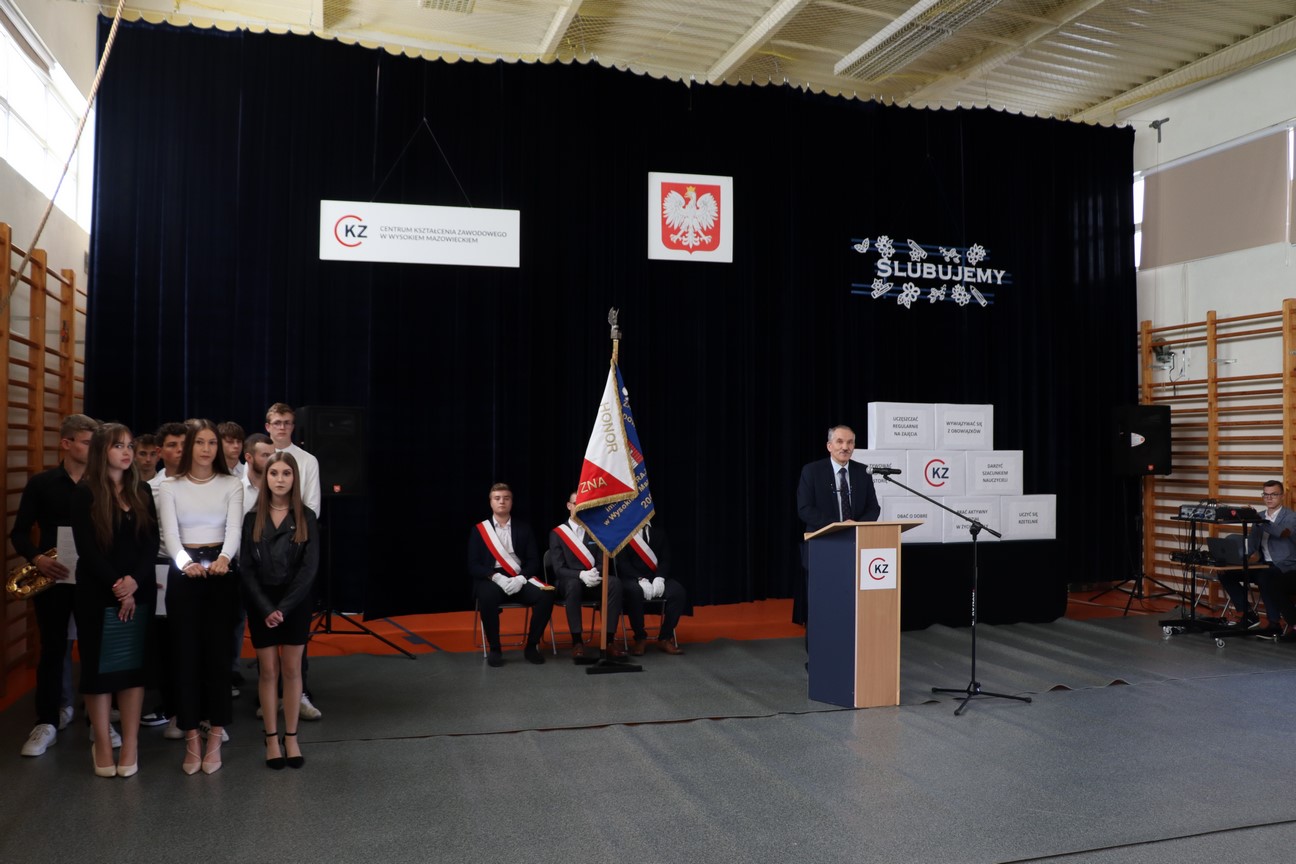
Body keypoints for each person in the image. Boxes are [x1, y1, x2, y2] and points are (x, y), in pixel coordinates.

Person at [70, 423, 159, 777]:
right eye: (118, 445)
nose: (127, 452)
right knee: (98, 670)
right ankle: (104, 743)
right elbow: (86, 549)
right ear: (101, 451)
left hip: (139, 589)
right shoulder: (85, 492)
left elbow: (151, 543)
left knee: (133, 671)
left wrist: (134, 582)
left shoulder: (142, 490)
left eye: (129, 446)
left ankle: (131, 743)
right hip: (97, 591)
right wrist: (117, 586)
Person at [157, 419, 243, 774]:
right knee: (185, 658)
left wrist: (225, 558)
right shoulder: (169, 486)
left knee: (219, 659)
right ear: (189, 446)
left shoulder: (231, 483)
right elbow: (170, 534)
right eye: (200, 442)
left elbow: (234, 528)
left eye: (212, 443)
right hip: (184, 575)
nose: (207, 449)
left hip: (222, 574)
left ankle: (216, 735)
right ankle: (192, 737)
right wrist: (185, 563)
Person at [12, 413, 99, 757]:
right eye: (87, 443)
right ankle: (46, 720)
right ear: (66, 443)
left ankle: (98, 718)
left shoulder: (104, 482)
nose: (94, 449)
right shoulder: (42, 484)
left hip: (93, 579)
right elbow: (19, 532)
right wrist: (37, 559)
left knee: (94, 648)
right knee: (52, 648)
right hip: (54, 577)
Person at [241, 452, 317, 769]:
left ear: (294, 478)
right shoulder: (251, 518)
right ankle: (271, 738)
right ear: (266, 477)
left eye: (286, 473)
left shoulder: (307, 517)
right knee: (268, 671)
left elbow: (309, 569)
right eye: (274, 473)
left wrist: (283, 608)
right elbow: (246, 568)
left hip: (295, 603)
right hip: (262, 602)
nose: (280, 479)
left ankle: (292, 737)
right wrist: (266, 608)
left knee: (292, 669)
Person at [265, 402, 323, 720]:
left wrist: (286, 536)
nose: (282, 427)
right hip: (262, 553)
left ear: (293, 426)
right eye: (277, 422)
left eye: (287, 422)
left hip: (296, 550)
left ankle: (299, 694)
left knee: (296, 629)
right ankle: (270, 695)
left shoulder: (307, 461)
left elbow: (312, 507)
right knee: (266, 628)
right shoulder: (259, 456)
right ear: (268, 425)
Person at [794, 425, 881, 624]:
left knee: (851, 602)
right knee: (823, 603)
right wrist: (838, 525)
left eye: (850, 442)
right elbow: (804, 509)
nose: (845, 447)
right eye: (840, 442)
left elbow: (873, 508)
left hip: (856, 545)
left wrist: (855, 525)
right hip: (822, 544)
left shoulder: (863, 472)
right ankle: (820, 641)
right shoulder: (812, 471)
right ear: (829, 446)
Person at [468, 483, 554, 667]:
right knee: (487, 596)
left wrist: (521, 578)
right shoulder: (479, 530)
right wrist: (495, 577)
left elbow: (533, 561)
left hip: (519, 577)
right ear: (490, 502)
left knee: (546, 596)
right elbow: (473, 565)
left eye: (506, 498)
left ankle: (531, 646)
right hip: (491, 578)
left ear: (511, 502)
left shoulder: (524, 528)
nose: (502, 502)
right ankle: (495, 648)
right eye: (497, 498)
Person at [548, 491, 625, 658]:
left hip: (594, 580)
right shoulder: (557, 534)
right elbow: (559, 569)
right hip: (569, 583)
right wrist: (581, 575)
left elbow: (602, 562)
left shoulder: (596, 531)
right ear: (569, 506)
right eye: (577, 504)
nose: (580, 508)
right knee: (573, 584)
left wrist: (595, 573)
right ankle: (577, 641)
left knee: (614, 583)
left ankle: (609, 640)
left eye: (584, 504)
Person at [1219, 480, 1296, 634]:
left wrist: (1260, 521)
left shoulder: (1291, 516)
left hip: (1285, 565)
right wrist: (1236, 560)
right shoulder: (1259, 517)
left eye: (1274, 494)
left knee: (1265, 576)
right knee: (1225, 573)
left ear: (1282, 496)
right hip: (1263, 564)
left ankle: (1274, 623)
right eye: (1266, 495)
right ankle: (1248, 613)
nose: (1269, 498)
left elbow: (1283, 533)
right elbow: (1252, 545)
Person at [614, 520, 688, 655]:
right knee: (635, 592)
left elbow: (665, 560)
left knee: (678, 592)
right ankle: (640, 638)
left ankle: (665, 637)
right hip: (632, 579)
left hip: (656, 578)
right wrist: (640, 579)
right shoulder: (624, 535)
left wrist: (660, 577)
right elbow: (623, 564)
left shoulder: (659, 533)